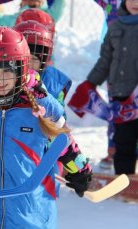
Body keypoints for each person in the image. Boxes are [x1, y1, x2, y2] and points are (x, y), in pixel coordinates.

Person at [0, 26, 92, 228]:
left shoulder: (41, 106)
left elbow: (63, 142)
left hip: (30, 216)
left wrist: (79, 170)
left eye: (7, 70)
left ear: (21, 68)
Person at [70, 0, 138, 175]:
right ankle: (125, 179)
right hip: (122, 95)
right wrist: (90, 83)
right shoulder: (115, 27)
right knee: (124, 140)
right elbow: (105, 60)